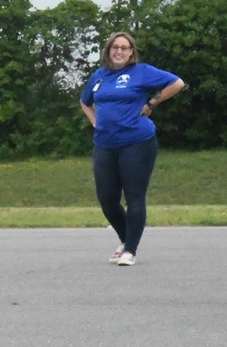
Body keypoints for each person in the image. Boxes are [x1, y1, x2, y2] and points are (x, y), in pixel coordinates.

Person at [79, 31, 186, 266]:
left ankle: (130, 250)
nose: (119, 51)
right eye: (115, 47)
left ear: (131, 52)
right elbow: (85, 101)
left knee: (135, 197)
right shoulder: (99, 76)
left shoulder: (141, 72)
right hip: (105, 144)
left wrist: (151, 103)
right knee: (107, 199)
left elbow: (176, 83)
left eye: (124, 48)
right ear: (108, 50)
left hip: (137, 142)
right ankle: (125, 238)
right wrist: (95, 120)